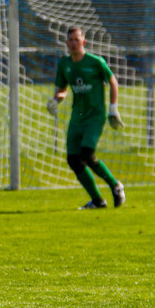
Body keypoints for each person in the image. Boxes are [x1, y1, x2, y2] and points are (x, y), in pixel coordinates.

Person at [46, 25, 126, 209]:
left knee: (87, 155)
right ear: (66, 43)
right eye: (71, 40)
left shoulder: (96, 62)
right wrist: (55, 100)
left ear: (84, 41)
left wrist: (113, 108)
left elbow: (113, 81)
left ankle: (115, 186)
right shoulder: (64, 64)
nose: (74, 43)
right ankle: (98, 201)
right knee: (73, 160)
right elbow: (63, 90)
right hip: (77, 117)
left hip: (95, 116)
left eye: (77, 39)